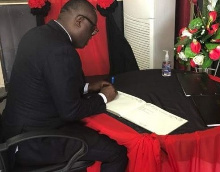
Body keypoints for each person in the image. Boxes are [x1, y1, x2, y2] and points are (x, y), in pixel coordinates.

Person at [1, 0, 128, 171]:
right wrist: (104, 97)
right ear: (79, 21)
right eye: (92, 30)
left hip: (12, 130)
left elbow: (49, 84)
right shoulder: (61, 50)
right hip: (34, 142)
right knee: (116, 153)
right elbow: (71, 112)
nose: (92, 36)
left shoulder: (35, 34)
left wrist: (86, 87)